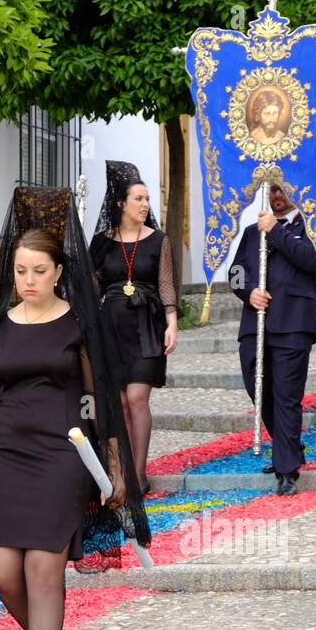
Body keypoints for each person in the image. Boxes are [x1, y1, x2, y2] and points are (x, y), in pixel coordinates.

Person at [0, 187, 150, 630]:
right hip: (4, 453)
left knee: (43, 572)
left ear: (59, 271)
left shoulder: (81, 323)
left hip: (61, 456)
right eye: (20, 271)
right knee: (3, 573)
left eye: (38, 271)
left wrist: (115, 467)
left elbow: (104, 400)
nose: (28, 281)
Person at [229, 182, 316, 495]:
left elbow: (309, 261)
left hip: (293, 322)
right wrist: (248, 292)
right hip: (256, 324)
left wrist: (277, 230)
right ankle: (289, 446)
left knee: (286, 394)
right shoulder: (252, 231)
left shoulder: (313, 225)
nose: (276, 196)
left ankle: (286, 469)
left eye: (282, 190)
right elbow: (236, 271)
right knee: (257, 386)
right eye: (272, 191)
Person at [88, 161, 178, 484]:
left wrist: (172, 322)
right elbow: (91, 286)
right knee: (121, 402)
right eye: (138, 199)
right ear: (121, 204)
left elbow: (166, 284)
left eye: (147, 199)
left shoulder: (159, 240)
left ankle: (139, 474)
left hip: (146, 325)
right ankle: (124, 471)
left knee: (138, 397)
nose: (144, 205)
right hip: (110, 326)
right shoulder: (101, 242)